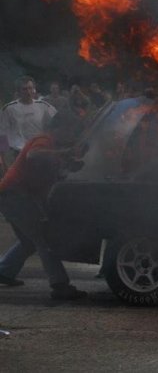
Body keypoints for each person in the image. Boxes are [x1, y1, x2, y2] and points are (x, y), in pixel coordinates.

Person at [0, 110, 87, 299]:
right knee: (43, 239)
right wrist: (64, 153)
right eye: (71, 131)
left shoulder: (52, 147)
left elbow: (51, 171)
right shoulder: (44, 139)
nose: (73, 136)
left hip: (16, 195)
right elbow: (33, 155)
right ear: (60, 128)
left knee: (30, 241)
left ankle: (4, 271)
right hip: (15, 195)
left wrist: (68, 164)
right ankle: (60, 285)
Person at [0, 76, 57, 167]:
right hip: (18, 154)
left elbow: (58, 120)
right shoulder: (9, 109)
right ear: (18, 91)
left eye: (30, 88)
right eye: (24, 89)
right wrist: (4, 159)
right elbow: (2, 133)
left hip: (39, 152)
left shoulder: (43, 106)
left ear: (34, 89)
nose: (28, 92)